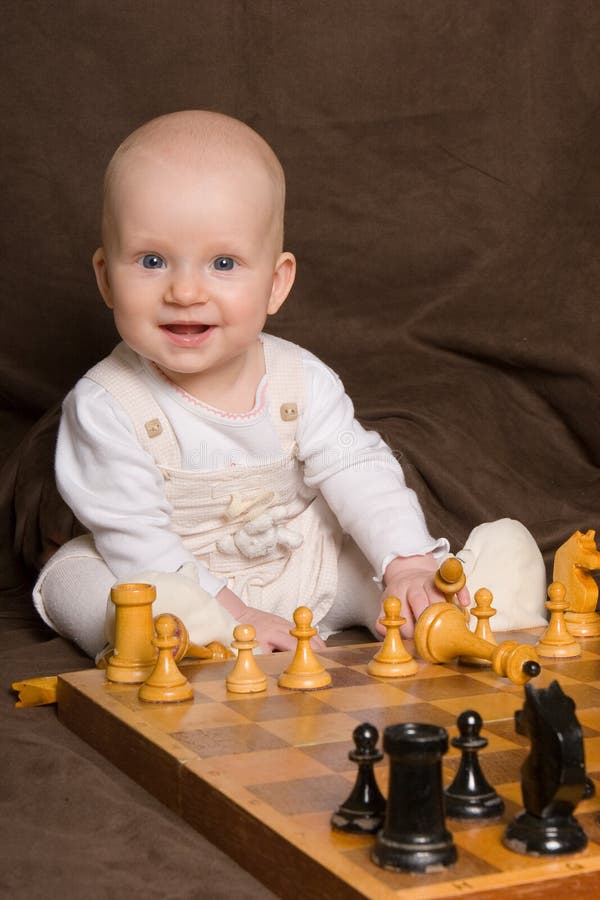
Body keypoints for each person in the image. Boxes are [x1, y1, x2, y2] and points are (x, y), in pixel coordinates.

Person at [33, 110, 547, 658]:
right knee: (76, 576)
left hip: (300, 561)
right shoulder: (107, 404)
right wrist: (233, 613)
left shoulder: (299, 380)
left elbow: (359, 472)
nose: (185, 291)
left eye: (223, 263)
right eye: (152, 260)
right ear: (107, 277)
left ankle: (455, 604)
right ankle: (159, 637)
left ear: (276, 284)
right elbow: (137, 539)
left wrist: (407, 561)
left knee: (359, 550)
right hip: (177, 578)